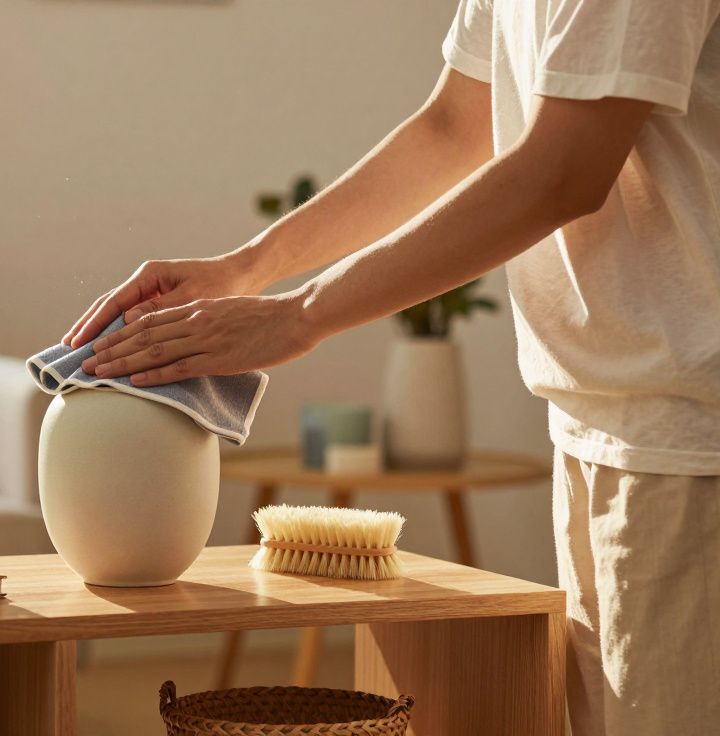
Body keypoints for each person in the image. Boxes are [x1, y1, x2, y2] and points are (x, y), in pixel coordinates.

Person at [63, 1, 720, 733]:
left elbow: (562, 171)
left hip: (691, 439)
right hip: (599, 421)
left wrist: (298, 315)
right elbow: (452, 127)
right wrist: (249, 268)